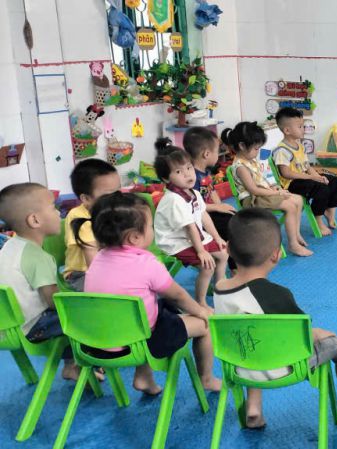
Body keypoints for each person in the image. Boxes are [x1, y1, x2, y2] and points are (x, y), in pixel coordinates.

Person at [213, 208, 337, 428]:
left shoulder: (220, 289)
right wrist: (320, 334)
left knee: (249, 336)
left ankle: (253, 407)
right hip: (283, 368)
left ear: (228, 248)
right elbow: (301, 338)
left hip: (239, 367)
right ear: (276, 254)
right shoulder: (276, 294)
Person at [77, 192, 220, 394]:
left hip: (98, 342)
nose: (152, 230)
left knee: (149, 311)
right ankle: (207, 379)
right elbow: (177, 295)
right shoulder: (146, 263)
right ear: (135, 237)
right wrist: (201, 311)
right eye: (151, 226)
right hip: (140, 343)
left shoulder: (97, 259)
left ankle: (144, 378)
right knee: (205, 324)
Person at [0, 183, 84, 379]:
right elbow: (53, 302)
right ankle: (81, 365)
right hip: (31, 329)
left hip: (6, 330)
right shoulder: (38, 257)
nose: (58, 213)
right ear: (35, 220)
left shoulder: (9, 247)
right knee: (82, 316)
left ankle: (71, 365)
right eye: (53, 207)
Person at [152, 138, 229, 306]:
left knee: (224, 253)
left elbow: (204, 216)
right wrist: (201, 251)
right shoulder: (174, 199)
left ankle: (219, 287)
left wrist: (217, 238)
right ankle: (201, 302)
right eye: (179, 172)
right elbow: (189, 227)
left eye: (189, 168)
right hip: (175, 242)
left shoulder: (194, 192)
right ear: (166, 179)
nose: (187, 174)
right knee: (207, 266)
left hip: (192, 236)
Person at [222, 121, 312, 257]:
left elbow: (261, 180)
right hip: (252, 199)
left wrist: (274, 187)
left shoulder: (251, 160)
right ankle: (293, 244)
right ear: (242, 146)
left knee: (298, 199)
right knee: (290, 206)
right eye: (256, 149)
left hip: (262, 195)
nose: (258, 152)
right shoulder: (240, 167)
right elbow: (254, 190)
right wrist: (277, 193)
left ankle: (296, 234)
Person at [272, 107, 337, 236]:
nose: (303, 129)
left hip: (305, 179)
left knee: (336, 182)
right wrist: (311, 178)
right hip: (292, 184)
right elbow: (286, 173)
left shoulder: (299, 146)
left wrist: (317, 177)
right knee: (321, 189)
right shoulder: (282, 150)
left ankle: (330, 213)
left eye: (303, 126)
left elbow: (308, 167)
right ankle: (318, 221)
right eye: (300, 126)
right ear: (287, 130)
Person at [183, 126, 237, 270]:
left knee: (235, 219)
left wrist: (222, 207)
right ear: (207, 154)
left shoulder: (205, 171)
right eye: (217, 151)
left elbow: (212, 191)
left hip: (210, 212)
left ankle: (239, 260)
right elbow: (192, 205)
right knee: (230, 228)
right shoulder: (191, 178)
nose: (218, 155)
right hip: (199, 219)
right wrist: (217, 207)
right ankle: (234, 268)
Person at [64, 159, 121, 291]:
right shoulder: (79, 216)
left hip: (110, 266)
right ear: (86, 199)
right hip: (81, 274)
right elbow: (93, 263)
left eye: (118, 190)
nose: (118, 198)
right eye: (109, 194)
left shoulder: (112, 210)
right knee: (114, 291)